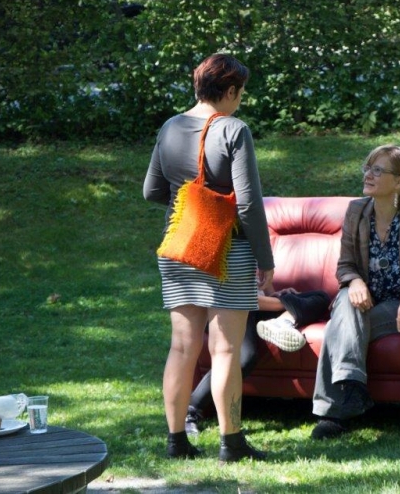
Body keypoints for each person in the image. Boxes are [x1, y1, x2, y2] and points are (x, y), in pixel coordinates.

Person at [142, 53, 274, 462]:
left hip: (179, 247)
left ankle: (176, 441)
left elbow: (151, 191)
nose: (240, 100)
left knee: (182, 348)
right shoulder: (233, 129)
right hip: (227, 251)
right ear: (230, 90)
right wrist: (265, 259)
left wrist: (190, 203)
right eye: (241, 92)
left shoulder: (169, 127)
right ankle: (231, 444)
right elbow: (248, 204)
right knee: (225, 350)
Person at [310, 145, 400, 440]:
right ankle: (353, 388)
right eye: (368, 168)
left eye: (377, 170)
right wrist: (354, 281)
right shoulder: (356, 211)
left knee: (337, 327)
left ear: (399, 181)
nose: (368, 175)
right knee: (346, 305)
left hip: (394, 305)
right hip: (358, 300)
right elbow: (345, 265)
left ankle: (332, 414)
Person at [185, 287, 331, 435]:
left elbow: (264, 289)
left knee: (320, 297)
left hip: (256, 308)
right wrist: (284, 303)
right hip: (231, 310)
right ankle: (191, 409)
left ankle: (281, 322)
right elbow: (240, 297)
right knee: (245, 358)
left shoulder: (262, 271)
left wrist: (274, 295)